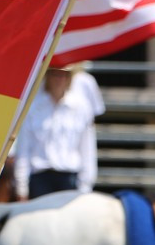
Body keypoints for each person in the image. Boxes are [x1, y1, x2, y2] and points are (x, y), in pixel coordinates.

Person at [12, 63, 104, 200]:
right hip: (40, 177)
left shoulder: (81, 108)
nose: (59, 79)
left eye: (64, 75)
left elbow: (87, 149)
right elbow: (24, 149)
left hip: (69, 177)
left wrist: (85, 187)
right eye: (55, 74)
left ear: (69, 78)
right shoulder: (33, 107)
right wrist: (21, 188)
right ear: (47, 76)